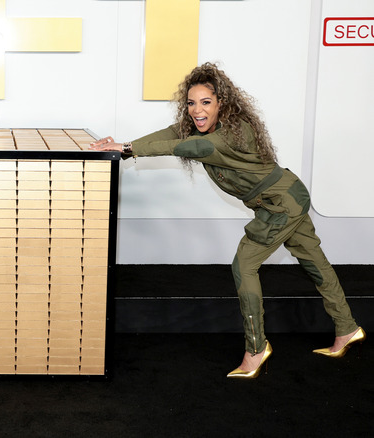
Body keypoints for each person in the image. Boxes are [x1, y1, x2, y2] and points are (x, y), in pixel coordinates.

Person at [90, 62, 365, 379]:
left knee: (244, 264)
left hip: (282, 204)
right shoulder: (207, 127)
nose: (197, 110)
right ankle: (347, 328)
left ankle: (256, 348)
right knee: (313, 259)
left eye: (205, 102)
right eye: (191, 103)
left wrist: (127, 148)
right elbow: (173, 133)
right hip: (285, 197)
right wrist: (126, 146)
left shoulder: (227, 136)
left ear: (222, 103)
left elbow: (183, 145)